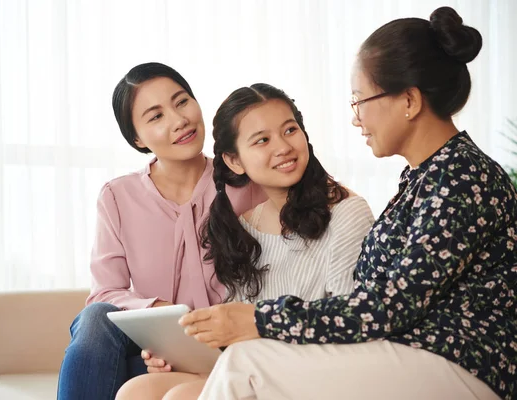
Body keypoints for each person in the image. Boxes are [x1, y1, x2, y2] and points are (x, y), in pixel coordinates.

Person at [180, 7, 516, 400]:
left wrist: (260, 318)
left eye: (360, 100)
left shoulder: (461, 176)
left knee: (247, 364)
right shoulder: (426, 177)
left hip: (462, 363)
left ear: (408, 100)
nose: (356, 118)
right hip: (413, 355)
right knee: (243, 360)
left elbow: (389, 306)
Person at [115, 83, 374, 400]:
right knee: (136, 391)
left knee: (178, 397)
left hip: (313, 372)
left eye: (290, 130)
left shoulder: (347, 212)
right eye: (262, 140)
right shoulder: (243, 227)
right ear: (235, 161)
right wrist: (181, 356)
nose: (282, 147)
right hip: (252, 369)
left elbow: (349, 318)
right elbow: (238, 334)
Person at [56, 62, 264, 400]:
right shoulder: (117, 197)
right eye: (156, 116)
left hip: (230, 351)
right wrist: (155, 311)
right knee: (96, 318)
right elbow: (105, 293)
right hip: (155, 356)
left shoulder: (245, 182)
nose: (179, 120)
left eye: (182, 102)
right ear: (137, 138)